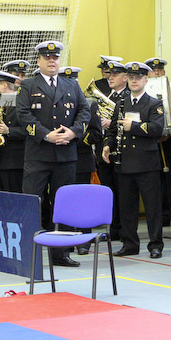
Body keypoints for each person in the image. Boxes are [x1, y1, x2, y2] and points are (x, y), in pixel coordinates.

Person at [16, 40, 90, 267]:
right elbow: (23, 114)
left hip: (65, 154)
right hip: (38, 154)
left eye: (55, 58)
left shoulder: (71, 85)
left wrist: (73, 132)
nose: (52, 61)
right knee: (33, 202)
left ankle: (61, 253)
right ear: (38, 61)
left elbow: (84, 111)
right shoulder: (28, 85)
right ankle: (29, 253)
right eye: (47, 58)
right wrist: (46, 135)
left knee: (64, 204)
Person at [102, 61, 165, 258]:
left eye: (138, 78)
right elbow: (113, 129)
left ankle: (155, 245)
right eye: (131, 78)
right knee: (127, 206)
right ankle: (129, 243)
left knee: (152, 207)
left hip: (147, 163)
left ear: (146, 80)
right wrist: (107, 145)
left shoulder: (154, 103)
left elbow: (158, 129)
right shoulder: (121, 104)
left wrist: (135, 127)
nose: (134, 81)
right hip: (125, 162)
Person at [61, 65, 103, 255]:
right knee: (65, 202)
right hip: (61, 159)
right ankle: (67, 239)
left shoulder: (89, 104)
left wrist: (73, 138)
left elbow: (96, 134)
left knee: (82, 202)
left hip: (82, 159)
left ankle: (84, 239)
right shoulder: (54, 105)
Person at [145, 57, 171, 230]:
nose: (157, 73)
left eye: (160, 70)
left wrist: (168, 132)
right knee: (155, 179)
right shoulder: (143, 88)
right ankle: (161, 214)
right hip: (150, 140)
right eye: (153, 70)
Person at [96, 60, 130, 241]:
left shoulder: (129, 96)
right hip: (104, 149)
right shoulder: (107, 96)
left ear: (125, 78)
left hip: (121, 151)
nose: (110, 78)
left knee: (122, 193)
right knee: (108, 191)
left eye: (115, 75)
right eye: (109, 74)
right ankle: (113, 229)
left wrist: (112, 122)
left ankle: (124, 230)